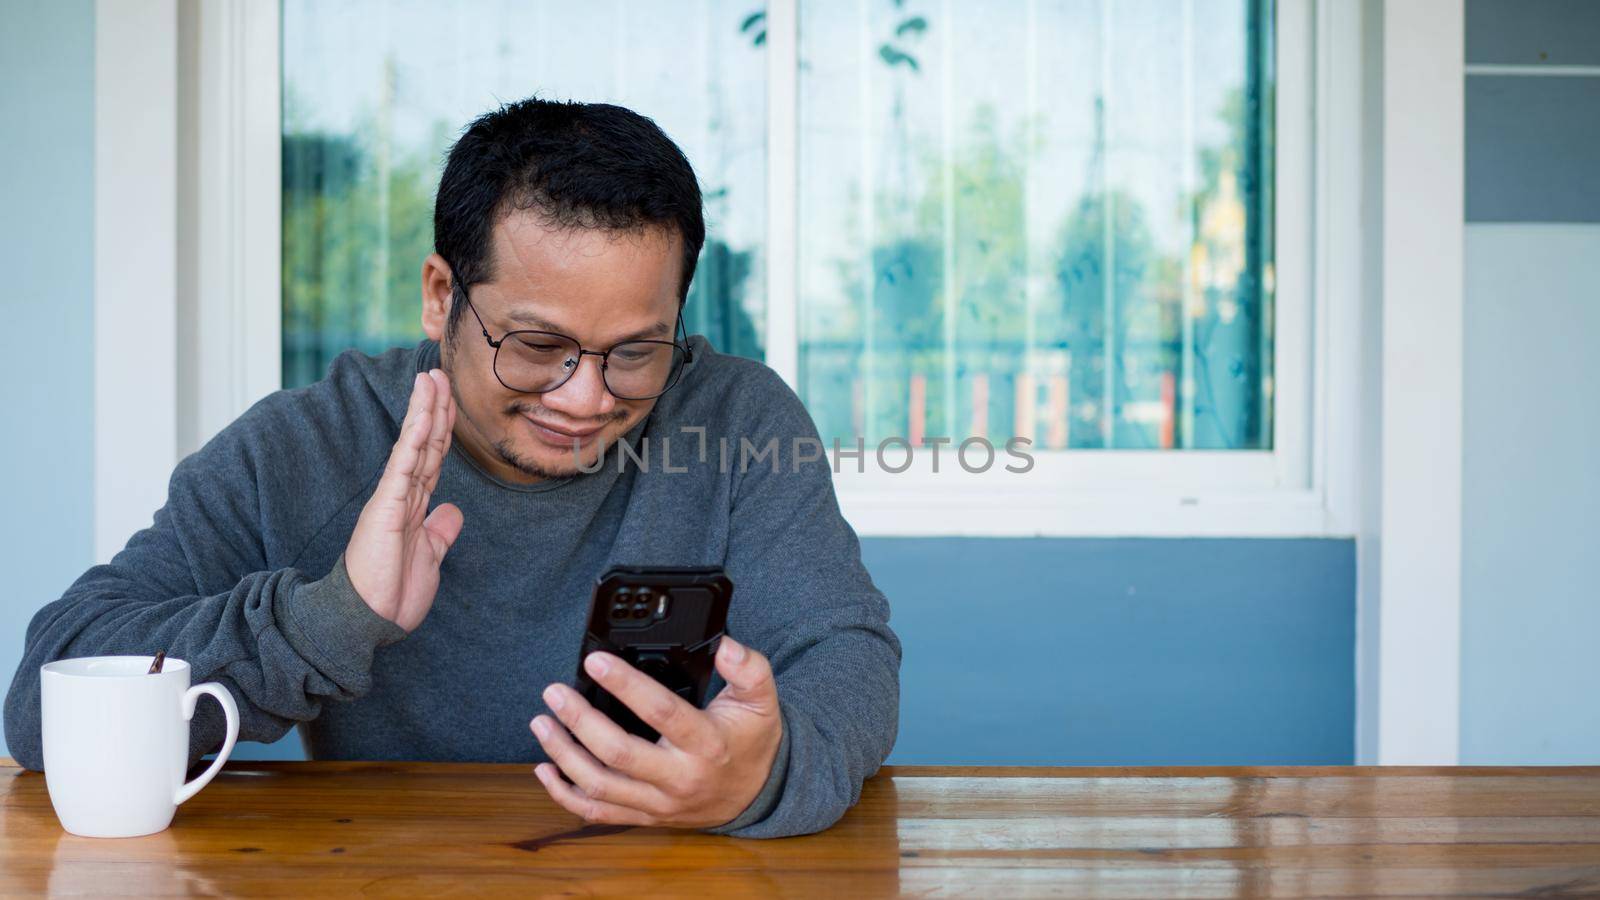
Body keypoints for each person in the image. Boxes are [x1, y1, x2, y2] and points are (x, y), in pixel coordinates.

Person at [3, 98, 900, 839]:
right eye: (537, 344)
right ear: (442, 296)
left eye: (634, 351)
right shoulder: (305, 450)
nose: (585, 398)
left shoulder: (736, 420)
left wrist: (760, 779)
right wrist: (330, 617)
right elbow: (48, 701)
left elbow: (849, 660)